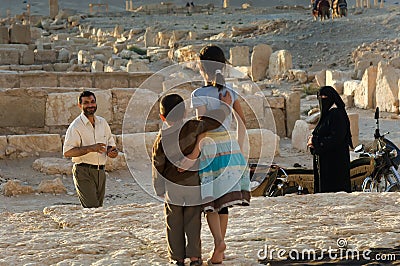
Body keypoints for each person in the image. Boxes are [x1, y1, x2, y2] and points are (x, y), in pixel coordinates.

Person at [152, 93, 231, 266]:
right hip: (193, 184)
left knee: (173, 222)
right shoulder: (194, 127)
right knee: (193, 221)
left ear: (162, 117)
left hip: (173, 187)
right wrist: (225, 106)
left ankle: (177, 258)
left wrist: (159, 187)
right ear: (185, 112)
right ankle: (195, 257)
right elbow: (213, 120)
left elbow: (158, 163)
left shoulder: (162, 137)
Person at [188, 44, 251, 264]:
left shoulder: (198, 94)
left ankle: (218, 243)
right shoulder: (230, 92)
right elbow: (242, 123)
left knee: (209, 202)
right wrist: (240, 149)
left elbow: (202, 125)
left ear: (202, 67)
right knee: (223, 203)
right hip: (230, 149)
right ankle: (218, 252)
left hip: (209, 149)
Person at [63, 90, 118, 208]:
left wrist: (111, 152)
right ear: (80, 105)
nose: (90, 105)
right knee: (92, 208)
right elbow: (67, 152)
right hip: (83, 171)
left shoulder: (102, 123)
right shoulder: (76, 126)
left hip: (101, 172)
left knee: (98, 208)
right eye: (86, 103)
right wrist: (90, 148)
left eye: (92, 102)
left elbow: (110, 144)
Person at [307, 86, 353, 193]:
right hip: (325, 163)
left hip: (335, 164)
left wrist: (314, 142)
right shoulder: (327, 115)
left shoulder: (337, 115)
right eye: (320, 97)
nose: (322, 100)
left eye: (324, 97)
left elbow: (336, 139)